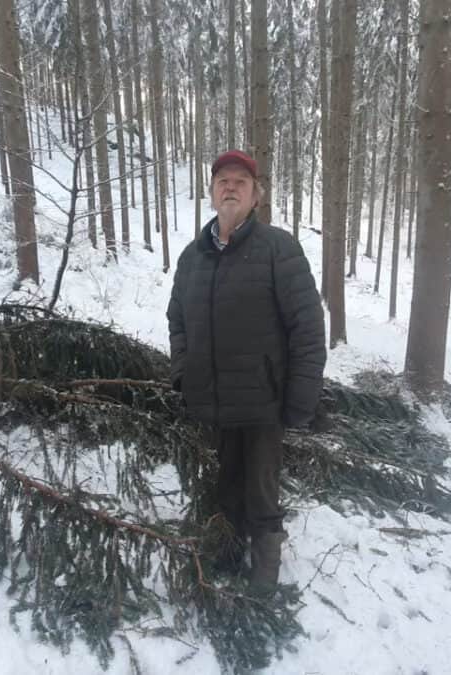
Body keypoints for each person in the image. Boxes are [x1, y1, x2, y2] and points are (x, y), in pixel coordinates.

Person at [166, 150, 326, 594]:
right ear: (211, 191)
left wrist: (299, 398)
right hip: (209, 401)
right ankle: (226, 555)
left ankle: (263, 576)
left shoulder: (278, 249)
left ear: (257, 195)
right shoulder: (191, 257)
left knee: (261, 496)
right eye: (223, 180)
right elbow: (177, 320)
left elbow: (308, 328)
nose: (231, 187)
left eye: (241, 181)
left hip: (262, 404)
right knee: (222, 489)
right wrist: (183, 373)